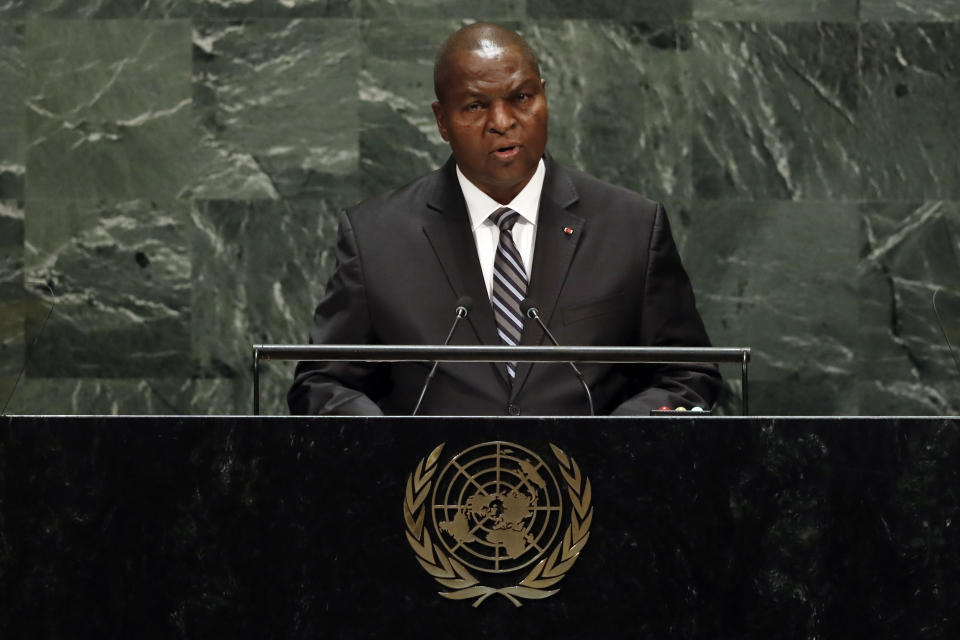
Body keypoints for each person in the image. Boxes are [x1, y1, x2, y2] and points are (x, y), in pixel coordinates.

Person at [288, 23, 720, 416]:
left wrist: (618, 438)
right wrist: (385, 444)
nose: (502, 122)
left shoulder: (632, 227)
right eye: (476, 106)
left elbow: (688, 372)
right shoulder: (375, 238)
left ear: (544, 96)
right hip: (430, 491)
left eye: (521, 98)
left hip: (592, 488)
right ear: (442, 121)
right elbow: (323, 381)